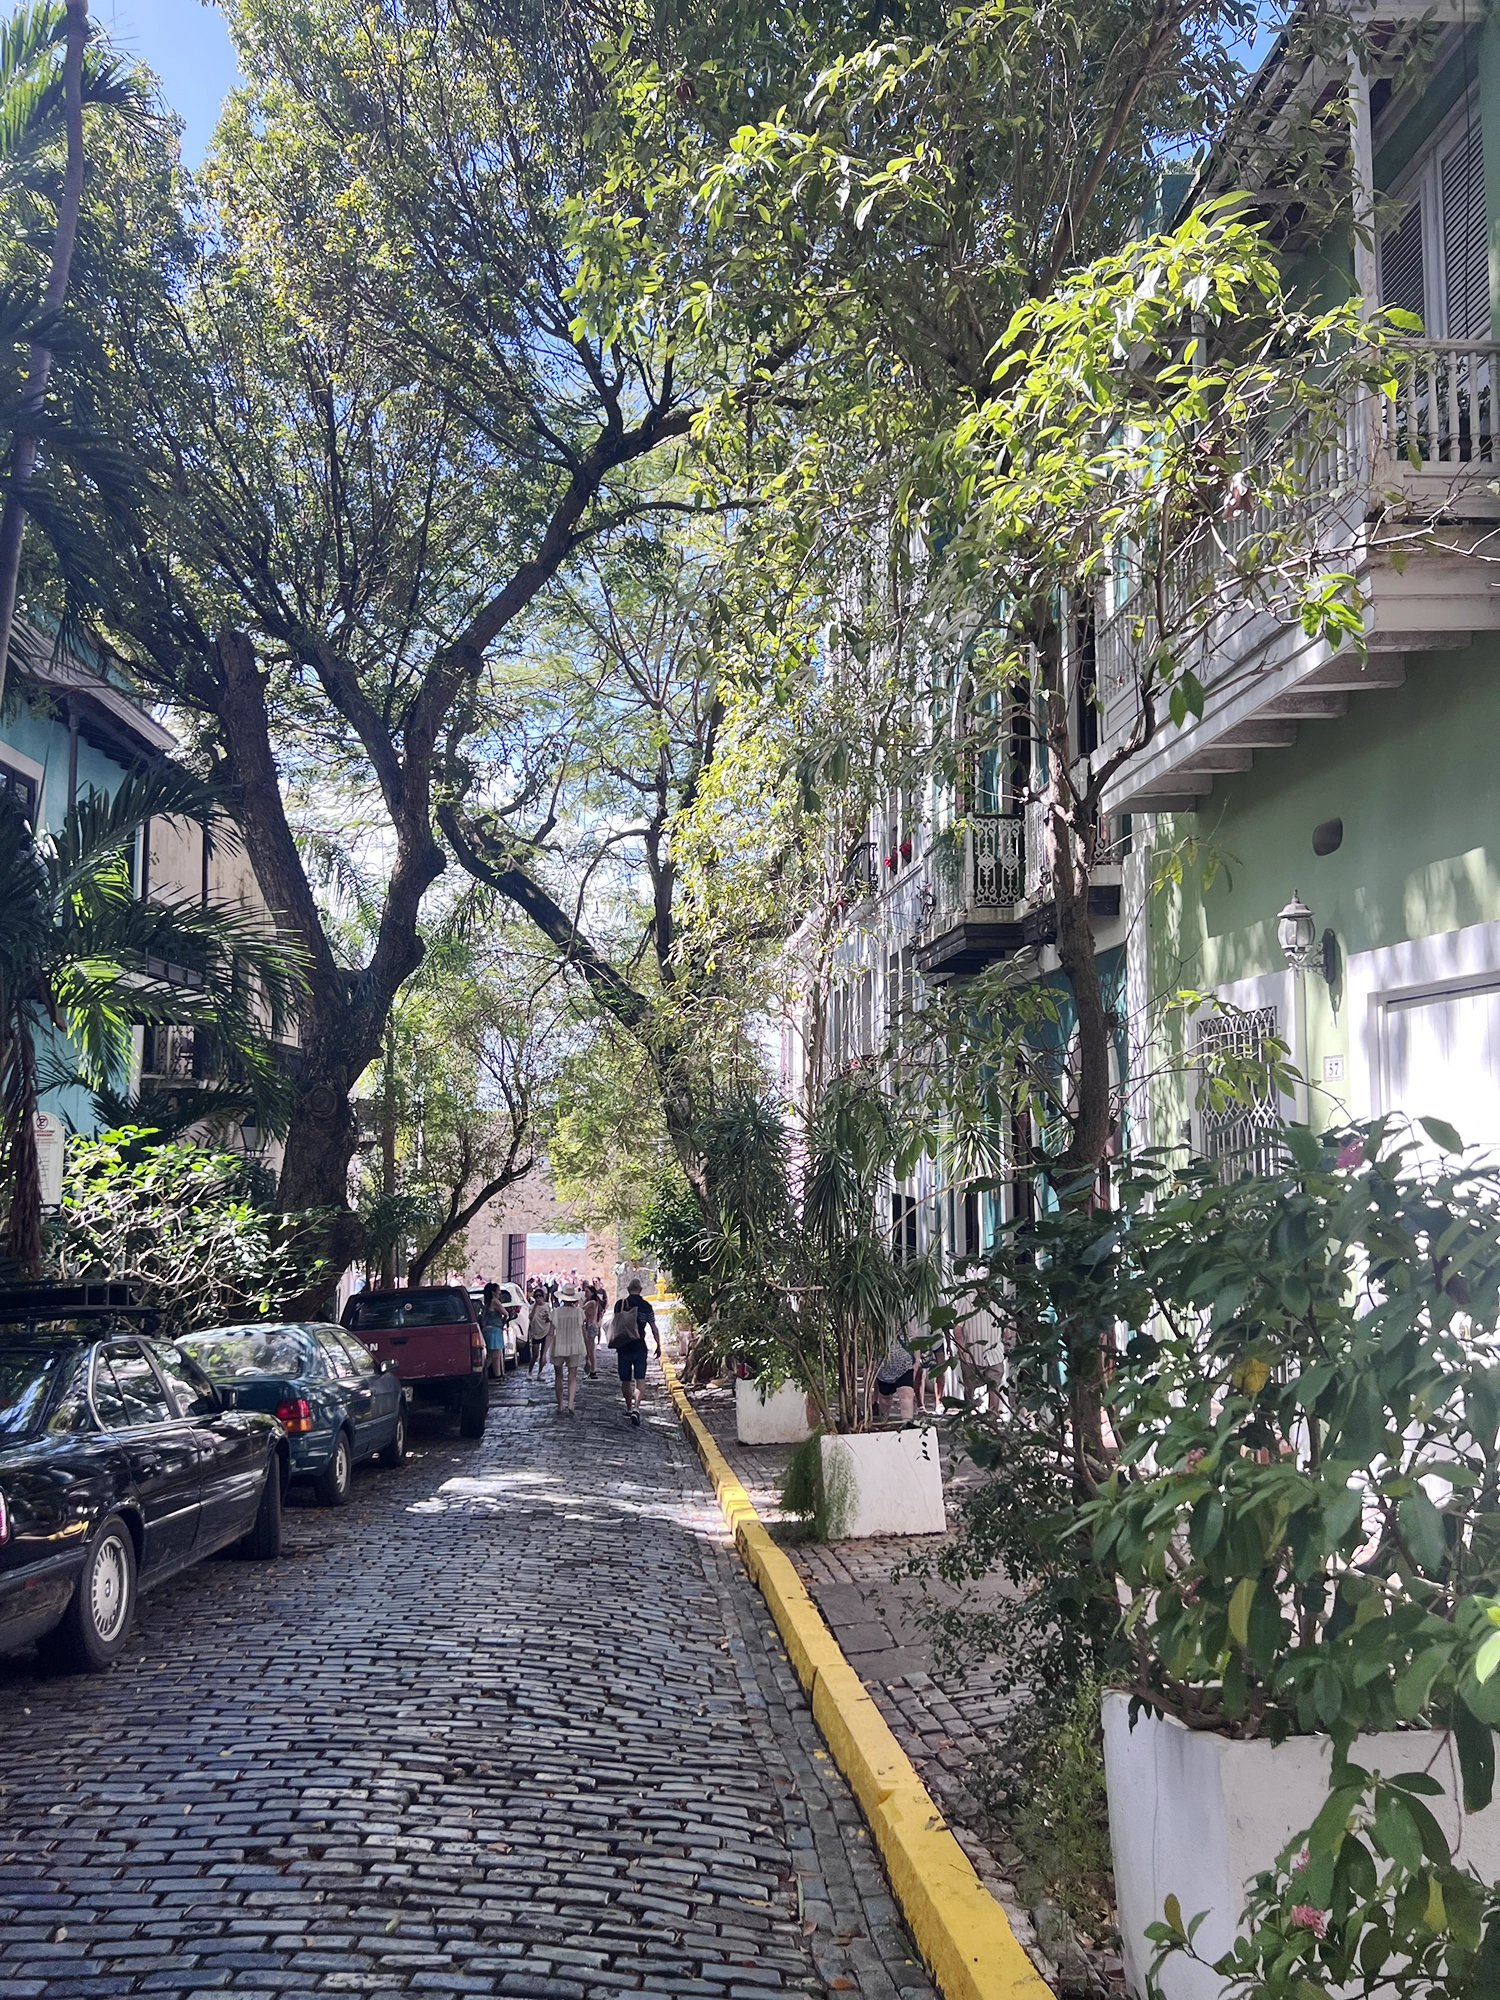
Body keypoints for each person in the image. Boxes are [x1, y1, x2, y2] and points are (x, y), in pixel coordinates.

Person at [610, 1277, 658, 1426]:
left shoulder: (620, 1304)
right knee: (640, 1379)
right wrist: (659, 1345)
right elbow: (653, 1327)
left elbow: (616, 1323)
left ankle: (629, 1407)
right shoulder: (646, 1306)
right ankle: (637, 1407)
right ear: (641, 1290)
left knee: (625, 1380)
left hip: (623, 1345)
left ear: (628, 1290)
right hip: (639, 1346)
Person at [550, 1285, 587, 1416]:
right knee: (572, 1376)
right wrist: (586, 1348)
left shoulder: (556, 1312)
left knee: (558, 1376)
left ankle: (560, 1404)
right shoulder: (579, 1312)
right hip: (574, 1345)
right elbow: (583, 1331)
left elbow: (550, 1332)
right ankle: (571, 1403)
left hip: (559, 1345)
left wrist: (544, 1352)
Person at [874, 1334, 924, 1420]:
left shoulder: (906, 1323)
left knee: (906, 1392)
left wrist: (917, 1359)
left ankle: (907, 1423)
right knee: (885, 1398)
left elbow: (914, 1339)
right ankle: (884, 1421)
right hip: (883, 1367)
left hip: (905, 1365)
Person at [480, 1281, 507, 1380]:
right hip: (494, 1329)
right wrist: (504, 1321)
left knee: (496, 1354)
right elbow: (505, 1313)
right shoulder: (495, 1302)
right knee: (492, 1355)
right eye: (498, 1290)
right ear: (493, 1292)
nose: (500, 1292)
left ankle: (497, 1375)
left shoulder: (487, 1302)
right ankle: (481, 1373)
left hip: (489, 1329)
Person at [528, 1288, 555, 1380]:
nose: (538, 1298)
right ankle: (530, 1371)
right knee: (535, 1354)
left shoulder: (547, 1306)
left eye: (540, 1296)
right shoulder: (532, 1307)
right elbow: (531, 1318)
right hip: (536, 1332)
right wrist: (535, 1306)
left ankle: (540, 1372)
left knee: (543, 1353)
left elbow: (550, 1317)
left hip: (546, 1331)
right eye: (536, 1296)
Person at [581, 1282, 603, 1379]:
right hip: (589, 1325)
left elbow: (581, 1309)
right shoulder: (590, 1302)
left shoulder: (592, 1302)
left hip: (591, 1326)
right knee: (588, 1349)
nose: (585, 1293)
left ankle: (593, 1370)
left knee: (591, 1349)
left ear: (592, 1293)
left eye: (587, 1292)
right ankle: (590, 1369)